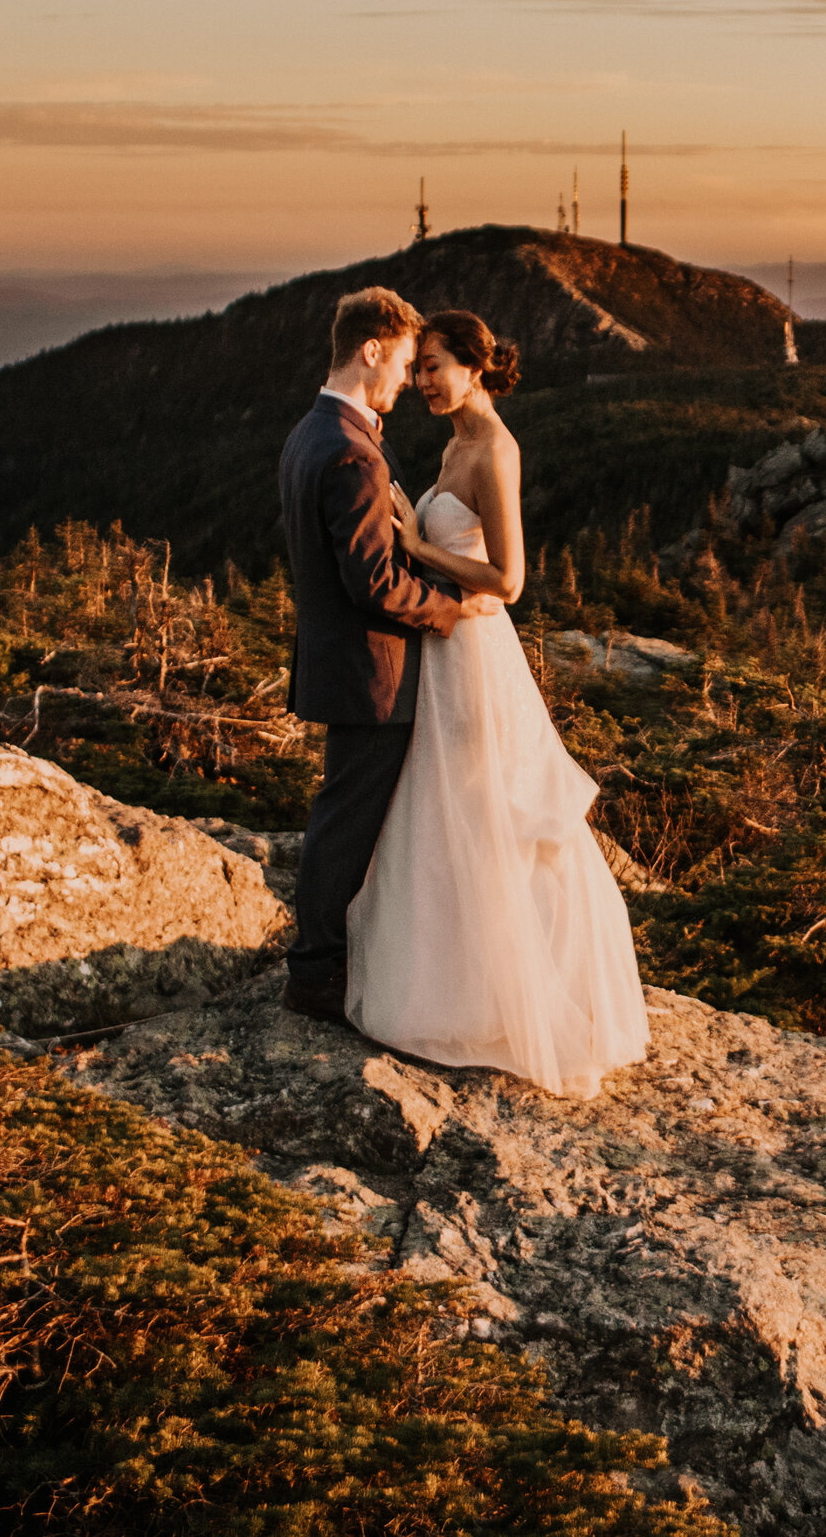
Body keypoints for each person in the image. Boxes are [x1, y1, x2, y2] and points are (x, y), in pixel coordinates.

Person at [343, 308, 650, 1097]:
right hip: (446, 648)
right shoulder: (455, 443)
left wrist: (416, 547)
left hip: (478, 656)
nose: (420, 383)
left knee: (488, 812)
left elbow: (510, 581)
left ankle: (516, 993)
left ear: (476, 367)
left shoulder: (497, 451)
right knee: (447, 816)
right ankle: (456, 980)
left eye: (435, 366)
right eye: (417, 369)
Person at [275, 287, 501, 1024]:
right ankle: (314, 974)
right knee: (346, 825)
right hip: (374, 671)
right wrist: (449, 611)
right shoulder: (350, 451)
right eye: (405, 362)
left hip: (342, 664)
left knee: (349, 816)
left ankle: (346, 960)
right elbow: (373, 580)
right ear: (370, 350)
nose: (409, 379)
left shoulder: (310, 432)